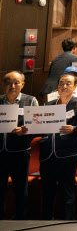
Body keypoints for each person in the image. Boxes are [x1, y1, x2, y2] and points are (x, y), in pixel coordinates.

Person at [39, 71, 77, 220]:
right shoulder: (49, 104)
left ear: (75, 87)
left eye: (68, 84)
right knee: (47, 192)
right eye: (61, 84)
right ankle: (46, 223)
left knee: (67, 192)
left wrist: (73, 129)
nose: (64, 86)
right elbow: (40, 126)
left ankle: (68, 223)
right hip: (47, 155)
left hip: (68, 155)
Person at [0, 71, 39, 220]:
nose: (12, 86)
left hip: (20, 152)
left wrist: (25, 130)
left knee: (20, 189)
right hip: (0, 152)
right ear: (4, 85)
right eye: (9, 83)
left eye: (16, 83)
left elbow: (37, 126)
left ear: (22, 85)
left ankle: (20, 219)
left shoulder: (31, 101)